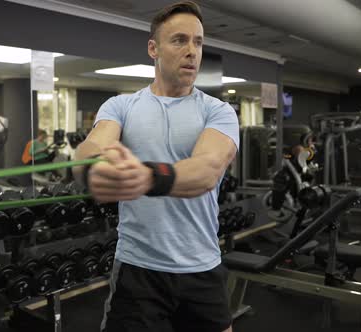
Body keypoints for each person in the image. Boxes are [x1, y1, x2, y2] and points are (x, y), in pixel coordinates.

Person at [73, 2, 239, 332]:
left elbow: (207, 169)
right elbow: (92, 147)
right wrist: (92, 168)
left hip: (201, 266)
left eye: (198, 42)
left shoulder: (218, 112)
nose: (192, 51)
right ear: (153, 48)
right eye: (180, 40)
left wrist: (149, 176)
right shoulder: (122, 106)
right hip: (138, 268)